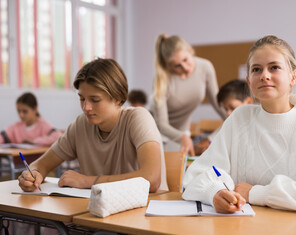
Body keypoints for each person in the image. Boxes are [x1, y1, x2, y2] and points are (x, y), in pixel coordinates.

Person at [182, 35, 296, 214]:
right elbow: (194, 176)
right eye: (256, 69)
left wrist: (257, 194)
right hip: (247, 229)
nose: (264, 75)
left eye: (274, 67)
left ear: (293, 77)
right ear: (249, 81)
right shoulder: (239, 118)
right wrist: (215, 192)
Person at [18, 58, 168, 193]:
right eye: (82, 99)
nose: (86, 107)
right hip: (100, 214)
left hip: (147, 214)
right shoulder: (81, 124)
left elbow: (152, 179)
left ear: (117, 98)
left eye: (95, 100)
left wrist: (88, 181)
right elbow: (41, 164)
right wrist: (32, 174)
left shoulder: (138, 118)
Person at [150, 34, 227, 156]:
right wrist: (182, 137)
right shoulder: (162, 78)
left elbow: (221, 108)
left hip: (183, 134)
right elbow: (161, 124)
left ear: (190, 50)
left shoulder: (205, 67)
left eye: (185, 60)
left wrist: (211, 139)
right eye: (177, 66)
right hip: (156, 133)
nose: (185, 68)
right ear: (168, 66)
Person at [194, 79, 253, 155]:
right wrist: (208, 147)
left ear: (248, 102)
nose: (228, 113)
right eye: (226, 109)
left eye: (232, 107)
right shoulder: (230, 124)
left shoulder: (258, 125)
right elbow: (204, 144)